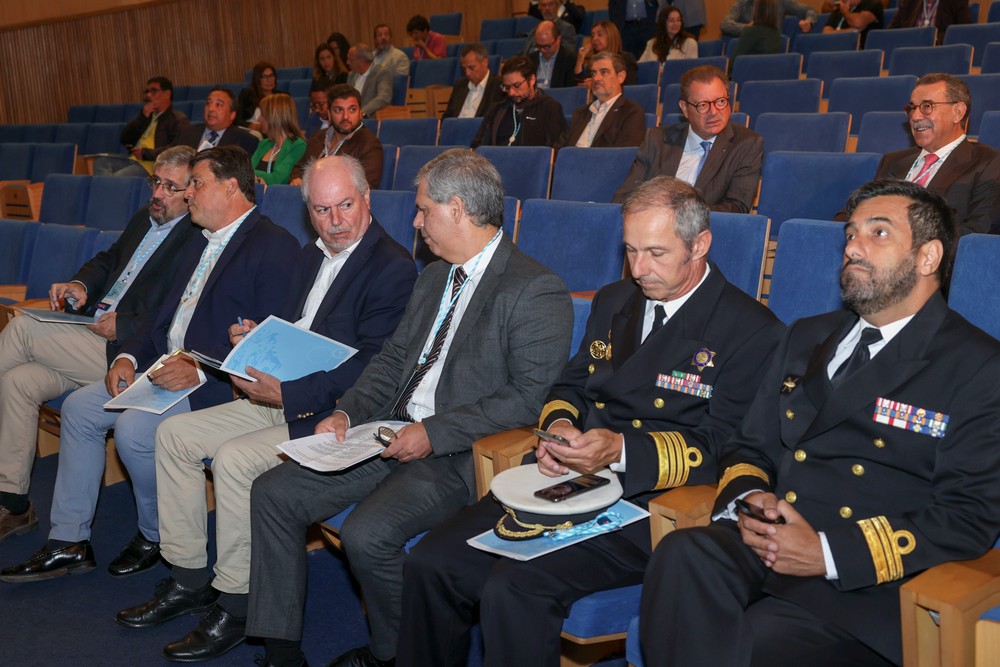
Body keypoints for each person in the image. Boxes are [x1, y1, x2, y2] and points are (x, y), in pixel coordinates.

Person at [396, 175, 783, 667]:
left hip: (653, 505)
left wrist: (620, 451)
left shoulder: (751, 331)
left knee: (513, 589)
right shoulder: (614, 302)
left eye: (656, 253)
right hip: (573, 477)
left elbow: (724, 446)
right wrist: (558, 428)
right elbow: (571, 387)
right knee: (433, 562)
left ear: (700, 244)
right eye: (630, 250)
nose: (638, 269)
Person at [640, 179, 1000, 666]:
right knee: (682, 555)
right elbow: (750, 445)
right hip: (770, 542)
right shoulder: (807, 335)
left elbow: (967, 516)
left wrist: (827, 552)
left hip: (860, 580)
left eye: (877, 233)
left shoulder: (976, 365)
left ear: (927, 257)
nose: (852, 247)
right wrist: (752, 498)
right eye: (850, 234)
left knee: (749, 644)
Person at [246, 148, 574, 667]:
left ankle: (394, 655)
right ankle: (281, 652)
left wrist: (434, 433)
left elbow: (529, 398)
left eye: (424, 210)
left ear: (458, 209)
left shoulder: (533, 288)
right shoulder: (434, 275)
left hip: (456, 453)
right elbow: (393, 358)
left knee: (367, 533)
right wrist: (348, 413)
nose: (415, 221)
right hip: (387, 431)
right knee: (273, 493)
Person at [115, 155, 418, 662]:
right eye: (321, 210)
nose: (335, 220)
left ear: (367, 199)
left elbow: (373, 365)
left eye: (345, 205)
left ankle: (237, 601)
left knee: (235, 460)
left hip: (331, 409)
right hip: (282, 397)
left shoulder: (393, 267)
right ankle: (190, 577)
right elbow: (291, 328)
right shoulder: (308, 256)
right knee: (174, 436)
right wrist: (253, 338)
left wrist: (290, 393)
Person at [0, 146, 300, 584]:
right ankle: (69, 541)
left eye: (196, 184)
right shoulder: (203, 236)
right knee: (82, 411)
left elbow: (269, 337)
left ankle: (157, 533)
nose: (189, 194)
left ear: (231, 186)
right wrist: (127, 356)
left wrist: (201, 369)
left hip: (212, 380)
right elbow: (163, 318)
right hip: (162, 363)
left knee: (133, 430)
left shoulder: (273, 245)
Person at [0, 146, 201, 544]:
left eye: (170, 186)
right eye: (155, 182)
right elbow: (109, 260)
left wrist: (123, 324)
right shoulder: (145, 219)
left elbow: (176, 310)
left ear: (191, 192)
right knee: (20, 381)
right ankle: (14, 503)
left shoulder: (196, 237)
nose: (157, 194)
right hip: (88, 332)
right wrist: (81, 285)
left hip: (127, 351)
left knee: (22, 329)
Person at [614, 65, 763, 213]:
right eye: (702, 105)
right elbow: (626, 197)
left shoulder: (746, 143)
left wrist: (678, 215)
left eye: (720, 102)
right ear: (684, 108)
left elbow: (737, 207)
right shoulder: (657, 139)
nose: (713, 112)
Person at [869, 74, 1000, 236]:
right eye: (912, 108)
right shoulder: (892, 161)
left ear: (957, 112)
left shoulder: (989, 163)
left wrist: (909, 245)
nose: (915, 117)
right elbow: (859, 210)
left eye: (927, 107)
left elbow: (979, 230)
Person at [289, 84, 383, 189]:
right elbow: (299, 167)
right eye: (338, 110)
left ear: (360, 113)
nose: (346, 116)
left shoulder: (368, 143)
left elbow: (366, 186)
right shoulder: (318, 136)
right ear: (329, 114)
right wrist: (296, 179)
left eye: (352, 110)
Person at [93, 77, 190, 177]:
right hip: (133, 159)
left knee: (118, 178)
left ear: (167, 94)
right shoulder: (146, 116)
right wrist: (142, 117)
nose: (148, 95)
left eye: (153, 91)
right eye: (147, 91)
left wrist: (145, 153)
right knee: (101, 162)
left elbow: (177, 149)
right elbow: (125, 139)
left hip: (152, 165)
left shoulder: (177, 119)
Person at [471, 55, 567, 149]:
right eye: (507, 87)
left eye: (517, 86)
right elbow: (477, 146)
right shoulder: (497, 109)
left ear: (532, 80)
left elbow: (556, 151)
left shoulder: (550, 108)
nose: (511, 93)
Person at [562, 52, 646, 148]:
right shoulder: (580, 113)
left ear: (620, 77)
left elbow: (623, 156)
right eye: (593, 73)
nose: (596, 78)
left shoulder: (631, 112)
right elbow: (558, 150)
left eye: (604, 72)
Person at [174, 87, 259, 155]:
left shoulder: (246, 140)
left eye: (218, 105)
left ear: (232, 114)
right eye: (208, 103)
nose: (211, 109)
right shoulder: (186, 132)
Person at [250, 93, 307, 186]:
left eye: (262, 115)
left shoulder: (298, 146)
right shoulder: (264, 144)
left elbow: (278, 180)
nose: (259, 119)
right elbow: (246, 172)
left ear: (274, 117)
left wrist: (251, 174)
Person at [443, 43, 505, 120]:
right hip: (455, 129)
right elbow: (448, 116)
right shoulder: (460, 85)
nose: (467, 73)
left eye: (471, 68)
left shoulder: (499, 86)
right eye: (464, 69)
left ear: (485, 62)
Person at [575, 20, 639, 85]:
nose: (594, 38)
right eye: (592, 36)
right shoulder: (594, 62)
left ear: (611, 36)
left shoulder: (626, 58)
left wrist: (597, 84)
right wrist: (580, 61)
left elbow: (630, 86)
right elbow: (580, 88)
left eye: (599, 35)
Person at [889, 0, 971, 44]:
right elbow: (890, 33)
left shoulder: (957, 2)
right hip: (909, 51)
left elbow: (963, 32)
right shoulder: (908, 2)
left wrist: (932, 39)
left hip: (940, 52)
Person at [729, 0, 784, 65]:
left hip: (747, 73)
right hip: (768, 73)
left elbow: (734, 61)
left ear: (757, 10)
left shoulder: (750, 32)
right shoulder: (777, 34)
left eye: (755, 6)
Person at [346, 43, 393, 119]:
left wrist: (362, 112)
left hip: (371, 119)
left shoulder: (381, 73)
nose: (347, 62)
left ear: (361, 60)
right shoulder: (351, 75)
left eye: (350, 59)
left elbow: (384, 97)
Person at [721, 0, 818, 36]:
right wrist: (748, 28)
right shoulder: (743, 3)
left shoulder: (780, 2)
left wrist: (809, 21)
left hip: (773, 48)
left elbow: (809, 10)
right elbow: (725, 24)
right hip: (750, 49)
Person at [530, 20, 578, 89]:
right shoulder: (530, 59)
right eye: (539, 46)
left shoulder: (569, 60)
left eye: (547, 46)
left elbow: (569, 91)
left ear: (558, 39)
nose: (542, 50)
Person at [237, 61, 277, 130]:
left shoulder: (281, 96)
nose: (269, 80)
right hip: (251, 132)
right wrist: (249, 125)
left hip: (275, 131)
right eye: (264, 77)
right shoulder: (248, 95)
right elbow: (237, 120)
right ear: (257, 79)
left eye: (271, 75)